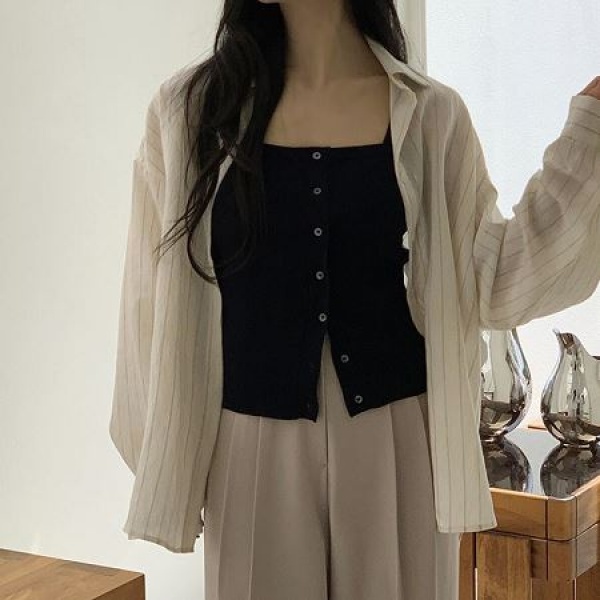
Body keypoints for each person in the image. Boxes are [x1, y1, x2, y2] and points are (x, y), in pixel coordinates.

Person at [109, 0, 600, 598]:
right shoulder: (188, 113)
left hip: (397, 441)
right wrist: (174, 465)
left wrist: (590, 133)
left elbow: (494, 280)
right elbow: (149, 305)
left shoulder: (431, 115)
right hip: (249, 443)